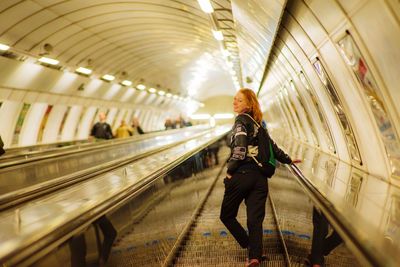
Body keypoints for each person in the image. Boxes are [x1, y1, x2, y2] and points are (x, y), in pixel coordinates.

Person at [220, 88, 294, 267]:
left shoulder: (240, 122)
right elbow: (273, 148)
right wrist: (289, 160)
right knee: (255, 219)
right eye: (234, 99)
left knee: (226, 215)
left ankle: (247, 243)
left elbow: (240, 149)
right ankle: (254, 256)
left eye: (239, 100)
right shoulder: (259, 124)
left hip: (242, 175)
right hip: (260, 179)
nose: (234, 103)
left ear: (248, 104)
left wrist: (230, 171)